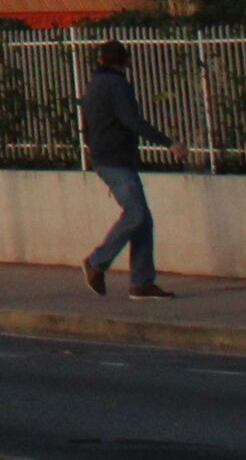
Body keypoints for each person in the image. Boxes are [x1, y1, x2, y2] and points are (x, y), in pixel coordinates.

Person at [79, 35, 177, 299]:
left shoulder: (94, 84)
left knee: (143, 220)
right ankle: (97, 262)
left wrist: (92, 149)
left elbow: (86, 123)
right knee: (136, 215)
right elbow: (131, 120)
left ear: (101, 60)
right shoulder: (117, 84)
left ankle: (142, 282)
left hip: (104, 158)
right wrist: (168, 143)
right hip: (116, 159)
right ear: (125, 62)